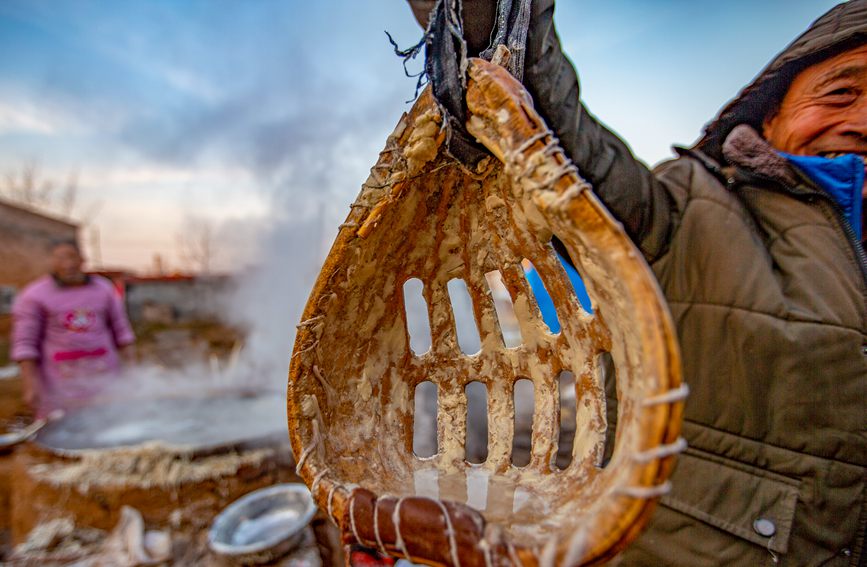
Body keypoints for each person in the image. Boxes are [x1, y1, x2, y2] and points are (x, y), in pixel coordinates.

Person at [409, 1, 866, 564]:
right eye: (841, 93)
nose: (862, 121)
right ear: (768, 114)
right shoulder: (689, 211)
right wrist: (488, 18)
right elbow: (554, 141)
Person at [10, 239, 136, 418]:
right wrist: (31, 385)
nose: (67, 264)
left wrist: (132, 374)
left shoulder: (104, 289)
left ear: (82, 259)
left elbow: (122, 332)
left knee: (112, 425)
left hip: (105, 378)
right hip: (60, 384)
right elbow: (25, 343)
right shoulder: (34, 295)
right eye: (59, 259)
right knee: (66, 431)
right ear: (51, 262)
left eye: (71, 257)